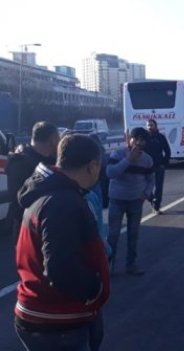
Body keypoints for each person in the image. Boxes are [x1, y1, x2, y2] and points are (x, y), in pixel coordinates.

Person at [14, 134, 110, 351]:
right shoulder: (63, 202)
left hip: (41, 311)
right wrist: (94, 289)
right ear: (92, 166)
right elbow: (60, 268)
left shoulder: (46, 193)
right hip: (57, 320)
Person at [106, 127, 154, 276]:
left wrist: (145, 194)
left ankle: (131, 265)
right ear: (129, 140)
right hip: (117, 200)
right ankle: (108, 267)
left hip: (135, 201)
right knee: (113, 235)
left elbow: (151, 180)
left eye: (143, 140)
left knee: (133, 234)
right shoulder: (118, 154)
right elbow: (110, 173)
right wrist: (128, 160)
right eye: (136, 139)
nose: (139, 143)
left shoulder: (147, 159)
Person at [6, 121, 60, 240]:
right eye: (58, 138)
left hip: (48, 228)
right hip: (28, 229)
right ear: (52, 140)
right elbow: (17, 201)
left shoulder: (52, 159)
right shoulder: (20, 162)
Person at [144, 119, 171, 214]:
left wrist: (164, 163)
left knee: (158, 187)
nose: (150, 127)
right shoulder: (144, 139)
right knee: (144, 187)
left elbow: (167, 151)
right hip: (146, 167)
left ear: (155, 126)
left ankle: (156, 206)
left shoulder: (161, 137)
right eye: (148, 125)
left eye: (151, 125)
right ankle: (152, 199)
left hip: (159, 166)